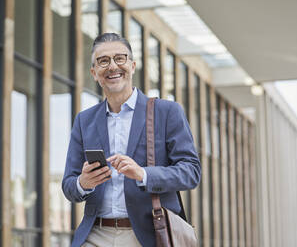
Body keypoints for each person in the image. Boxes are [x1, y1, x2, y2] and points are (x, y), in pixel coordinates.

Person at [62, 32, 201, 247]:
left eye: (120, 58)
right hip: (95, 235)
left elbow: (191, 172)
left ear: (133, 65)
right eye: (103, 61)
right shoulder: (84, 120)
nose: (112, 67)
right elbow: (69, 185)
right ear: (94, 73)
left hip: (147, 235)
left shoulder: (167, 112)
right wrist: (83, 183)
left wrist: (143, 174)